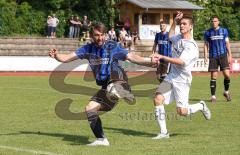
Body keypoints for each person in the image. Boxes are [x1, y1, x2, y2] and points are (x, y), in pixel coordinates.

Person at [49, 22, 157, 146]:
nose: (100, 38)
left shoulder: (112, 46)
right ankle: (101, 139)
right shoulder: (87, 49)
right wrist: (56, 55)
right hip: (105, 87)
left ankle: (121, 89)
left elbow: (131, 57)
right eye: (96, 35)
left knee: (114, 79)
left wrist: (149, 62)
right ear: (91, 35)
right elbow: (66, 58)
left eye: (102, 35)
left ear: (105, 34)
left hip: (118, 79)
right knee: (90, 109)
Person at [151, 11, 211, 139]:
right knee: (157, 98)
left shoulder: (191, 46)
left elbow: (180, 61)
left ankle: (201, 106)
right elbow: (170, 35)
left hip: (182, 80)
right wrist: (174, 21)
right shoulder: (178, 37)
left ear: (191, 27)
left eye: (184, 24)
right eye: (181, 24)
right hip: (171, 75)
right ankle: (164, 133)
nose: (182, 26)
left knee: (182, 112)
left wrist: (162, 56)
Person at [204, 15, 232, 102]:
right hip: (213, 56)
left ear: (218, 22)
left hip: (223, 55)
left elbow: (227, 43)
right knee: (214, 76)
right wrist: (205, 55)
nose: (214, 22)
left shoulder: (224, 31)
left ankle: (226, 92)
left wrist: (230, 55)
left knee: (227, 75)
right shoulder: (208, 32)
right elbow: (205, 45)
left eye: (215, 21)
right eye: (212, 21)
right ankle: (213, 97)